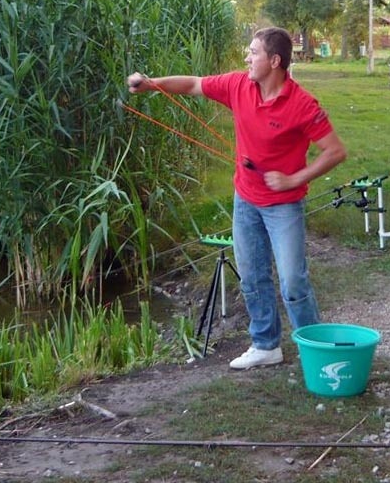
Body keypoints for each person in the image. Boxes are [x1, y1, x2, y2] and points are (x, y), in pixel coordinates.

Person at [127, 26, 347, 370]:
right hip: (246, 200)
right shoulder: (238, 85)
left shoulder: (302, 104)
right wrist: (153, 83)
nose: (247, 57)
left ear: (274, 61)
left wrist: (294, 179)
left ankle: (315, 348)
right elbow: (194, 84)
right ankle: (265, 345)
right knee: (252, 276)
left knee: (292, 280)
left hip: (284, 206)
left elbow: (334, 152)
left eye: (254, 52)